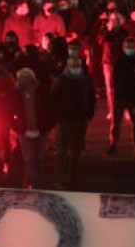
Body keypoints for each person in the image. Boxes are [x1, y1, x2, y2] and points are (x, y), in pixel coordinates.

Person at [51, 57, 96, 189]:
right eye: (73, 65)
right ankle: (61, 178)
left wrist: (89, 114)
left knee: (76, 150)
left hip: (80, 119)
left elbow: (92, 98)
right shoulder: (62, 80)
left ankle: (73, 176)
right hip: (65, 119)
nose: (75, 68)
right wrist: (57, 117)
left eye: (77, 65)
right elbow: (54, 99)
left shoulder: (86, 80)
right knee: (62, 149)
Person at [9, 68, 53, 189]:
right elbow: (9, 112)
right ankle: (34, 183)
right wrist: (18, 128)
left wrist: (47, 126)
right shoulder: (16, 94)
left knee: (39, 158)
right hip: (25, 131)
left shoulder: (42, 92)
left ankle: (35, 181)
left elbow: (51, 110)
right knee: (29, 159)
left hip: (41, 130)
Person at [108, 37, 135, 157]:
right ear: (123, 48)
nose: (130, 49)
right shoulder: (119, 61)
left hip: (133, 97)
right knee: (116, 123)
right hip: (120, 96)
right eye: (128, 47)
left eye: (132, 47)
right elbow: (114, 78)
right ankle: (113, 144)